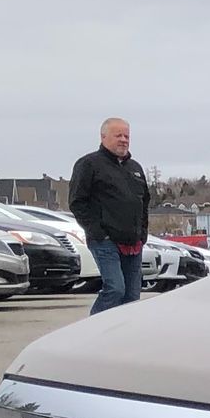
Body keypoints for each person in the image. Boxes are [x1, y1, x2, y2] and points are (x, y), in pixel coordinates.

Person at [69, 117, 150, 314]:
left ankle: (123, 337)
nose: (123, 140)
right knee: (115, 289)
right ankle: (91, 332)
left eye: (127, 136)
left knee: (132, 296)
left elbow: (144, 202)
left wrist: (142, 234)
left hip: (133, 243)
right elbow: (77, 202)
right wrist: (98, 232)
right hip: (105, 241)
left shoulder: (135, 169)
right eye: (118, 135)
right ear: (104, 137)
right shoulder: (89, 164)